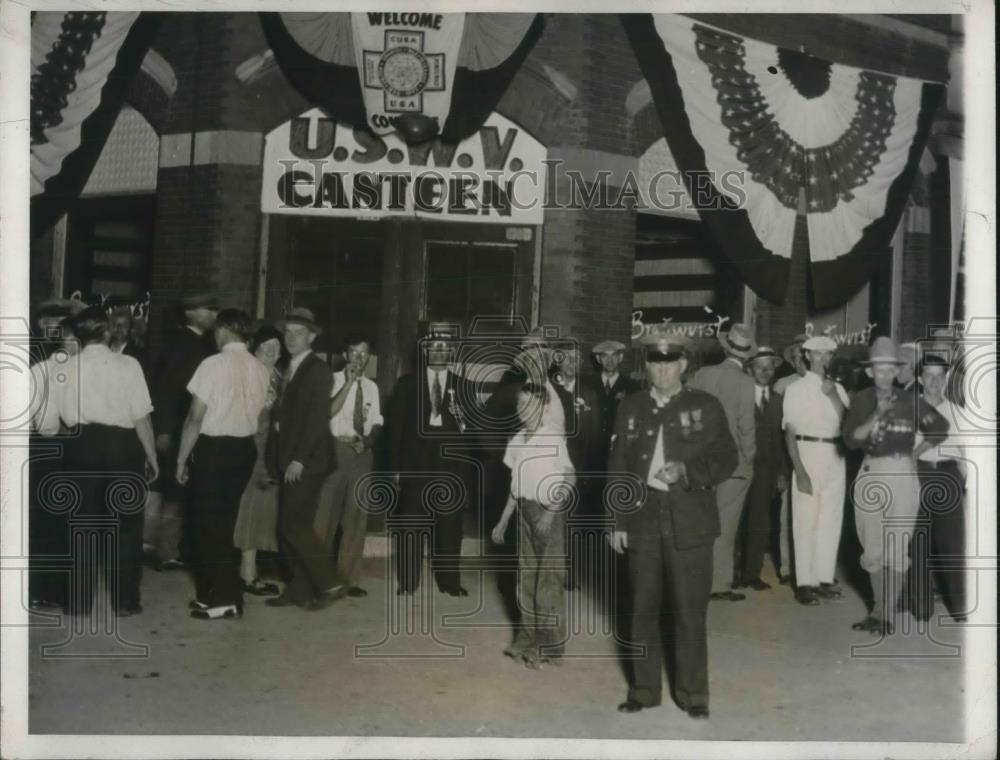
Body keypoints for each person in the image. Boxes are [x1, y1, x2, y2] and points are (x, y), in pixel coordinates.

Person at [607, 332, 737, 720]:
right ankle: (644, 691)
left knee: (689, 612)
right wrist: (617, 521)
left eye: (669, 362)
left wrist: (686, 471)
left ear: (683, 365)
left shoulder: (706, 406)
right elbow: (617, 467)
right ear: (646, 366)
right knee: (641, 609)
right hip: (643, 518)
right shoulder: (629, 406)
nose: (661, 369)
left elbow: (728, 458)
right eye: (654, 362)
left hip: (690, 522)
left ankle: (694, 694)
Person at [842, 337, 949, 635]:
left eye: (890, 370)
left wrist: (913, 454)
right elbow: (851, 440)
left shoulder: (910, 401)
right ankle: (878, 608)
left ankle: (884, 614)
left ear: (898, 371)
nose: (885, 376)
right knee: (871, 548)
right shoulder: (862, 399)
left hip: (902, 474)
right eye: (879, 370)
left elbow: (940, 428)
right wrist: (876, 413)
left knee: (897, 547)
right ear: (869, 372)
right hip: (870, 472)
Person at [57, 306, 159, 617]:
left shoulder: (66, 367)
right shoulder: (128, 365)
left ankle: (77, 602)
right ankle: (125, 601)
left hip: (81, 445)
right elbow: (141, 417)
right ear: (105, 332)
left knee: (81, 523)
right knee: (125, 526)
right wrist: (152, 457)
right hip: (122, 449)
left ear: (80, 335)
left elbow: (62, 417)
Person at [176, 309, 271, 620]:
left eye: (217, 330)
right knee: (223, 523)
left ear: (225, 331)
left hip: (214, 449)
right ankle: (214, 594)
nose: (214, 335)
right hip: (244, 449)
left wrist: (180, 459)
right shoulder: (260, 368)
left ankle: (224, 599)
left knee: (207, 526)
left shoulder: (212, 364)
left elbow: (194, 418)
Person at [388, 323, 479, 596]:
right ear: (425, 350)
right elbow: (395, 431)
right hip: (415, 465)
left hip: (451, 468)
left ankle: (449, 582)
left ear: (451, 351)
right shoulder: (406, 385)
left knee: (450, 527)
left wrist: (463, 417)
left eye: (444, 347)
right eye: (433, 346)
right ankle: (408, 582)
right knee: (412, 525)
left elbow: (473, 433)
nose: (439, 351)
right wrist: (393, 469)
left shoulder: (464, 387)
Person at [491, 382, 575, 669]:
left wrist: (550, 513)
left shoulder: (552, 437)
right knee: (526, 579)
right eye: (520, 404)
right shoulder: (516, 440)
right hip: (524, 513)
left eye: (531, 404)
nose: (524, 409)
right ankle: (526, 639)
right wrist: (503, 520)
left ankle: (549, 646)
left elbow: (569, 479)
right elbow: (516, 487)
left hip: (547, 512)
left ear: (543, 407)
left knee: (547, 583)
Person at [265, 308, 344, 611]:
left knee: (293, 525)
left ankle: (330, 580)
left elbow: (316, 421)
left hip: (308, 461)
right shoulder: (292, 367)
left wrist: (298, 460)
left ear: (312, 337)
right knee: (289, 525)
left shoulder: (317, 370)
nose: (291, 338)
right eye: (287, 333)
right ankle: (299, 589)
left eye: (298, 333)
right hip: (291, 459)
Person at [145, 292, 218, 570]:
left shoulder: (207, 344)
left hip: (197, 427)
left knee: (184, 490)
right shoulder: (177, 343)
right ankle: (166, 551)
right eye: (208, 308)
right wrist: (163, 430)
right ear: (190, 313)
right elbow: (163, 389)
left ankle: (174, 547)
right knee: (173, 491)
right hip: (176, 429)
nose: (213, 314)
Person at [688, 322, 757, 600]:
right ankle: (718, 585)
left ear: (725, 347)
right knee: (725, 525)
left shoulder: (702, 374)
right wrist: (749, 459)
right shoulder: (745, 382)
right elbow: (746, 426)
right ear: (746, 355)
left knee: (700, 522)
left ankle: (693, 580)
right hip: (733, 464)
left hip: (700, 461)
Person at [782, 335, 849, 606]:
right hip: (808, 452)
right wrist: (800, 471)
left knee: (830, 520)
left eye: (828, 354)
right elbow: (790, 433)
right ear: (807, 356)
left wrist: (832, 395)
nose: (824, 359)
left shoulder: (838, 388)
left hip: (835, 455)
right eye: (818, 354)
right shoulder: (796, 389)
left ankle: (823, 578)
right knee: (805, 520)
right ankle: (804, 583)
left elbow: (847, 423)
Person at [314, 333, 384, 598]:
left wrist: (367, 442)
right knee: (325, 516)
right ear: (345, 355)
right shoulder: (330, 380)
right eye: (355, 353)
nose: (359, 358)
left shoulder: (372, 387)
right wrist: (349, 383)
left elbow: (377, 421)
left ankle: (348, 579)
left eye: (365, 354)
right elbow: (327, 413)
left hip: (361, 453)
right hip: (333, 449)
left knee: (356, 517)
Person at [27, 309, 78, 611]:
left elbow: (34, 419)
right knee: (68, 521)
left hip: (45, 450)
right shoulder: (79, 372)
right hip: (73, 450)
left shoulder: (38, 371)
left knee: (43, 521)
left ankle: (41, 589)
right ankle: (64, 590)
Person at [910, 354, 967, 622]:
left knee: (952, 544)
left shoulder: (957, 411)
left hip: (947, 475)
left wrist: (967, 484)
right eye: (929, 375)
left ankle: (960, 608)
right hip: (917, 475)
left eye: (939, 376)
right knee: (918, 542)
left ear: (945, 380)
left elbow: (966, 452)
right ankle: (921, 606)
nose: (934, 381)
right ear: (920, 379)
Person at [232, 325, 287, 596]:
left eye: (277, 347)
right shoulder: (250, 376)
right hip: (253, 452)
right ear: (255, 350)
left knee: (263, 513)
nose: (273, 352)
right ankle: (247, 575)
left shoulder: (278, 376)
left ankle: (252, 570)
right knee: (250, 512)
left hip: (273, 453)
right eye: (267, 347)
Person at [737, 346, 789, 591]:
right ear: (749, 370)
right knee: (735, 520)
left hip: (767, 470)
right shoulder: (740, 397)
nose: (765, 371)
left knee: (760, 520)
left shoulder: (780, 401)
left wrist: (781, 471)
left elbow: (783, 439)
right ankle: (733, 571)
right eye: (760, 367)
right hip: (740, 467)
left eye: (770, 367)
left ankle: (751, 574)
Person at [772, 333, 808, 582]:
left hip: (819, 456)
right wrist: (781, 468)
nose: (799, 361)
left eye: (803, 356)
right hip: (789, 455)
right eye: (794, 357)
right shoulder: (782, 385)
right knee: (788, 515)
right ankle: (787, 567)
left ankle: (815, 569)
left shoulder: (826, 384)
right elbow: (776, 431)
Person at [589, 340, 641, 460]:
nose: (610, 360)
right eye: (605, 356)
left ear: (620, 358)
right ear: (598, 359)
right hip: (592, 452)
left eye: (614, 355)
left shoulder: (632, 387)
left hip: (619, 451)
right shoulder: (588, 384)